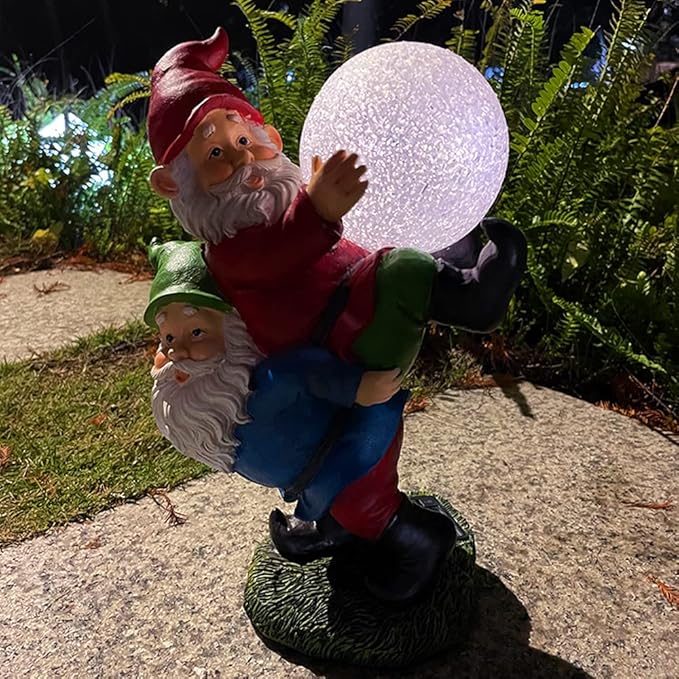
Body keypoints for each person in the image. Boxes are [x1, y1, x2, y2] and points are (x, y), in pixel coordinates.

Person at [146, 239, 458, 604]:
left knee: (363, 506)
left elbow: (303, 372)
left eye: (197, 333)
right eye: (168, 337)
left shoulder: (260, 386)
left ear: (233, 330)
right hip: (314, 473)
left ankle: (421, 540)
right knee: (340, 505)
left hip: (350, 451)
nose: (177, 351)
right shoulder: (214, 403)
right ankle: (333, 528)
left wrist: (357, 386)